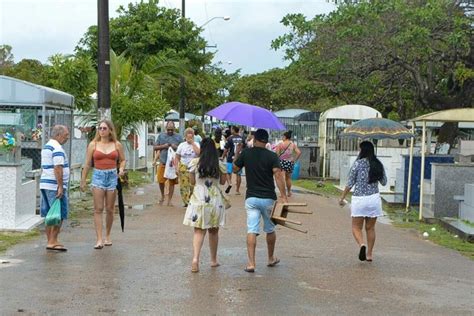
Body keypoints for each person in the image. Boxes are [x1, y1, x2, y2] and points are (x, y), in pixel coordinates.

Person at [233, 129, 288, 273]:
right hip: (269, 198)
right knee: (270, 229)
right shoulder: (272, 156)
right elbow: (278, 175)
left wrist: (238, 152)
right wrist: (283, 195)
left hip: (251, 198)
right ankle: (270, 258)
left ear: (255, 139)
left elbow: (234, 169)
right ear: (266, 141)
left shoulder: (246, 153)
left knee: (252, 229)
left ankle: (251, 263)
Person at [183, 138, 227, 273]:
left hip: (198, 199)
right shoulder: (219, 164)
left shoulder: (195, 163)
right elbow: (223, 182)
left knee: (198, 231)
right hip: (214, 201)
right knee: (214, 231)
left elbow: (192, 182)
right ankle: (213, 260)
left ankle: (195, 259)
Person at [81, 120, 126, 249]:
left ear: (110, 130)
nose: (101, 130)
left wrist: (121, 169)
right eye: (99, 128)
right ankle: (99, 238)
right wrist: (83, 179)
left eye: (104, 128)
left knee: (110, 209)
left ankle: (108, 235)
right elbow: (88, 163)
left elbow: (122, 160)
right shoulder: (93, 145)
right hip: (98, 175)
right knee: (98, 208)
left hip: (112, 175)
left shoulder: (117, 145)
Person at [339, 141, 387, 262]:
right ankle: (369, 254)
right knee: (370, 228)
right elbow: (384, 182)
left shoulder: (357, 164)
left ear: (362, 151)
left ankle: (362, 244)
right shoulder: (378, 164)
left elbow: (350, 183)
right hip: (374, 199)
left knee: (356, 227)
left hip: (359, 199)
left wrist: (342, 197)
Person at [40, 125, 70, 252]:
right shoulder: (57, 148)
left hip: (45, 184)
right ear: (58, 135)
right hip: (54, 185)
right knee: (58, 214)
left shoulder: (47, 146)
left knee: (49, 214)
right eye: (66, 135)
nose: (67, 138)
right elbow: (58, 168)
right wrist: (60, 186)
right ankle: (53, 240)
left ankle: (50, 240)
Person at [153, 121, 183, 206]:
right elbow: (155, 147)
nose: (170, 131)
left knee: (172, 182)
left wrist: (175, 147)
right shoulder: (161, 136)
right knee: (160, 180)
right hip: (163, 162)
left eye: (171, 130)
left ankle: (169, 200)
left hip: (173, 164)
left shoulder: (178, 137)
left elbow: (182, 148)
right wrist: (164, 146)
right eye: (168, 129)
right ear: (166, 128)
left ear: (174, 129)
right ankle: (163, 196)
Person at [176, 127, 200, 207]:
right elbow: (177, 156)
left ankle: (192, 199)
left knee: (193, 185)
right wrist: (177, 167)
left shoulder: (196, 144)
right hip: (184, 167)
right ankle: (186, 202)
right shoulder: (181, 145)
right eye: (188, 135)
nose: (189, 137)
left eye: (191, 135)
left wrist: (192, 143)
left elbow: (199, 153)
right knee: (184, 186)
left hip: (193, 167)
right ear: (185, 136)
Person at [275, 131, 301, 197]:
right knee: (288, 178)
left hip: (281, 162)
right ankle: (289, 192)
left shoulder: (280, 144)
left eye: (283, 136)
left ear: (285, 137)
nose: (282, 138)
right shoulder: (293, 144)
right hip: (290, 162)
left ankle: (282, 194)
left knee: (281, 178)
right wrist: (294, 160)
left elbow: (277, 154)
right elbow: (299, 152)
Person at [222, 125, 244, 195]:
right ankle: (237, 190)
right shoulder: (242, 139)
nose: (231, 131)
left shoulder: (230, 138)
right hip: (239, 159)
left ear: (234, 130)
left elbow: (226, 149)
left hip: (230, 158)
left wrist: (223, 156)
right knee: (238, 174)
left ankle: (229, 183)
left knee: (228, 172)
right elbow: (244, 149)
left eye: (231, 129)